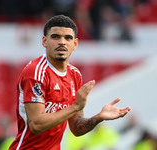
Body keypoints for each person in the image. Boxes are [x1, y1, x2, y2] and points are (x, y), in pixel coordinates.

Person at [9, 15, 131, 150]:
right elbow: (36, 125)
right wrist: (75, 106)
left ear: (75, 44)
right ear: (44, 41)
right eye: (55, 37)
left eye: (68, 38)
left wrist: (99, 117)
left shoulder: (74, 75)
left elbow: (76, 128)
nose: (62, 42)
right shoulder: (36, 72)